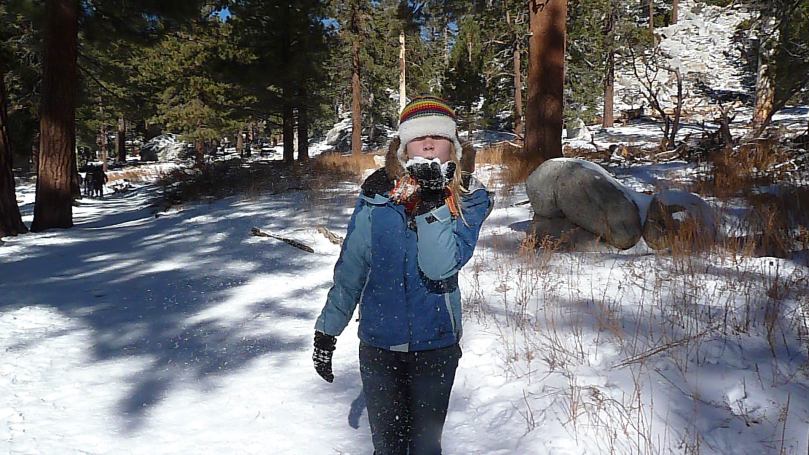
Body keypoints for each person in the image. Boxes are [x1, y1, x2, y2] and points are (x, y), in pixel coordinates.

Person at [312, 96, 493, 454]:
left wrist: (432, 205)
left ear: (452, 147)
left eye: (439, 137)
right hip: (379, 345)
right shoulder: (377, 195)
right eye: (418, 136)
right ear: (404, 146)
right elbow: (352, 268)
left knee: (426, 448)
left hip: (435, 345)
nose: (428, 143)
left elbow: (440, 267)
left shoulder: (469, 199)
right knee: (388, 448)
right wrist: (327, 329)